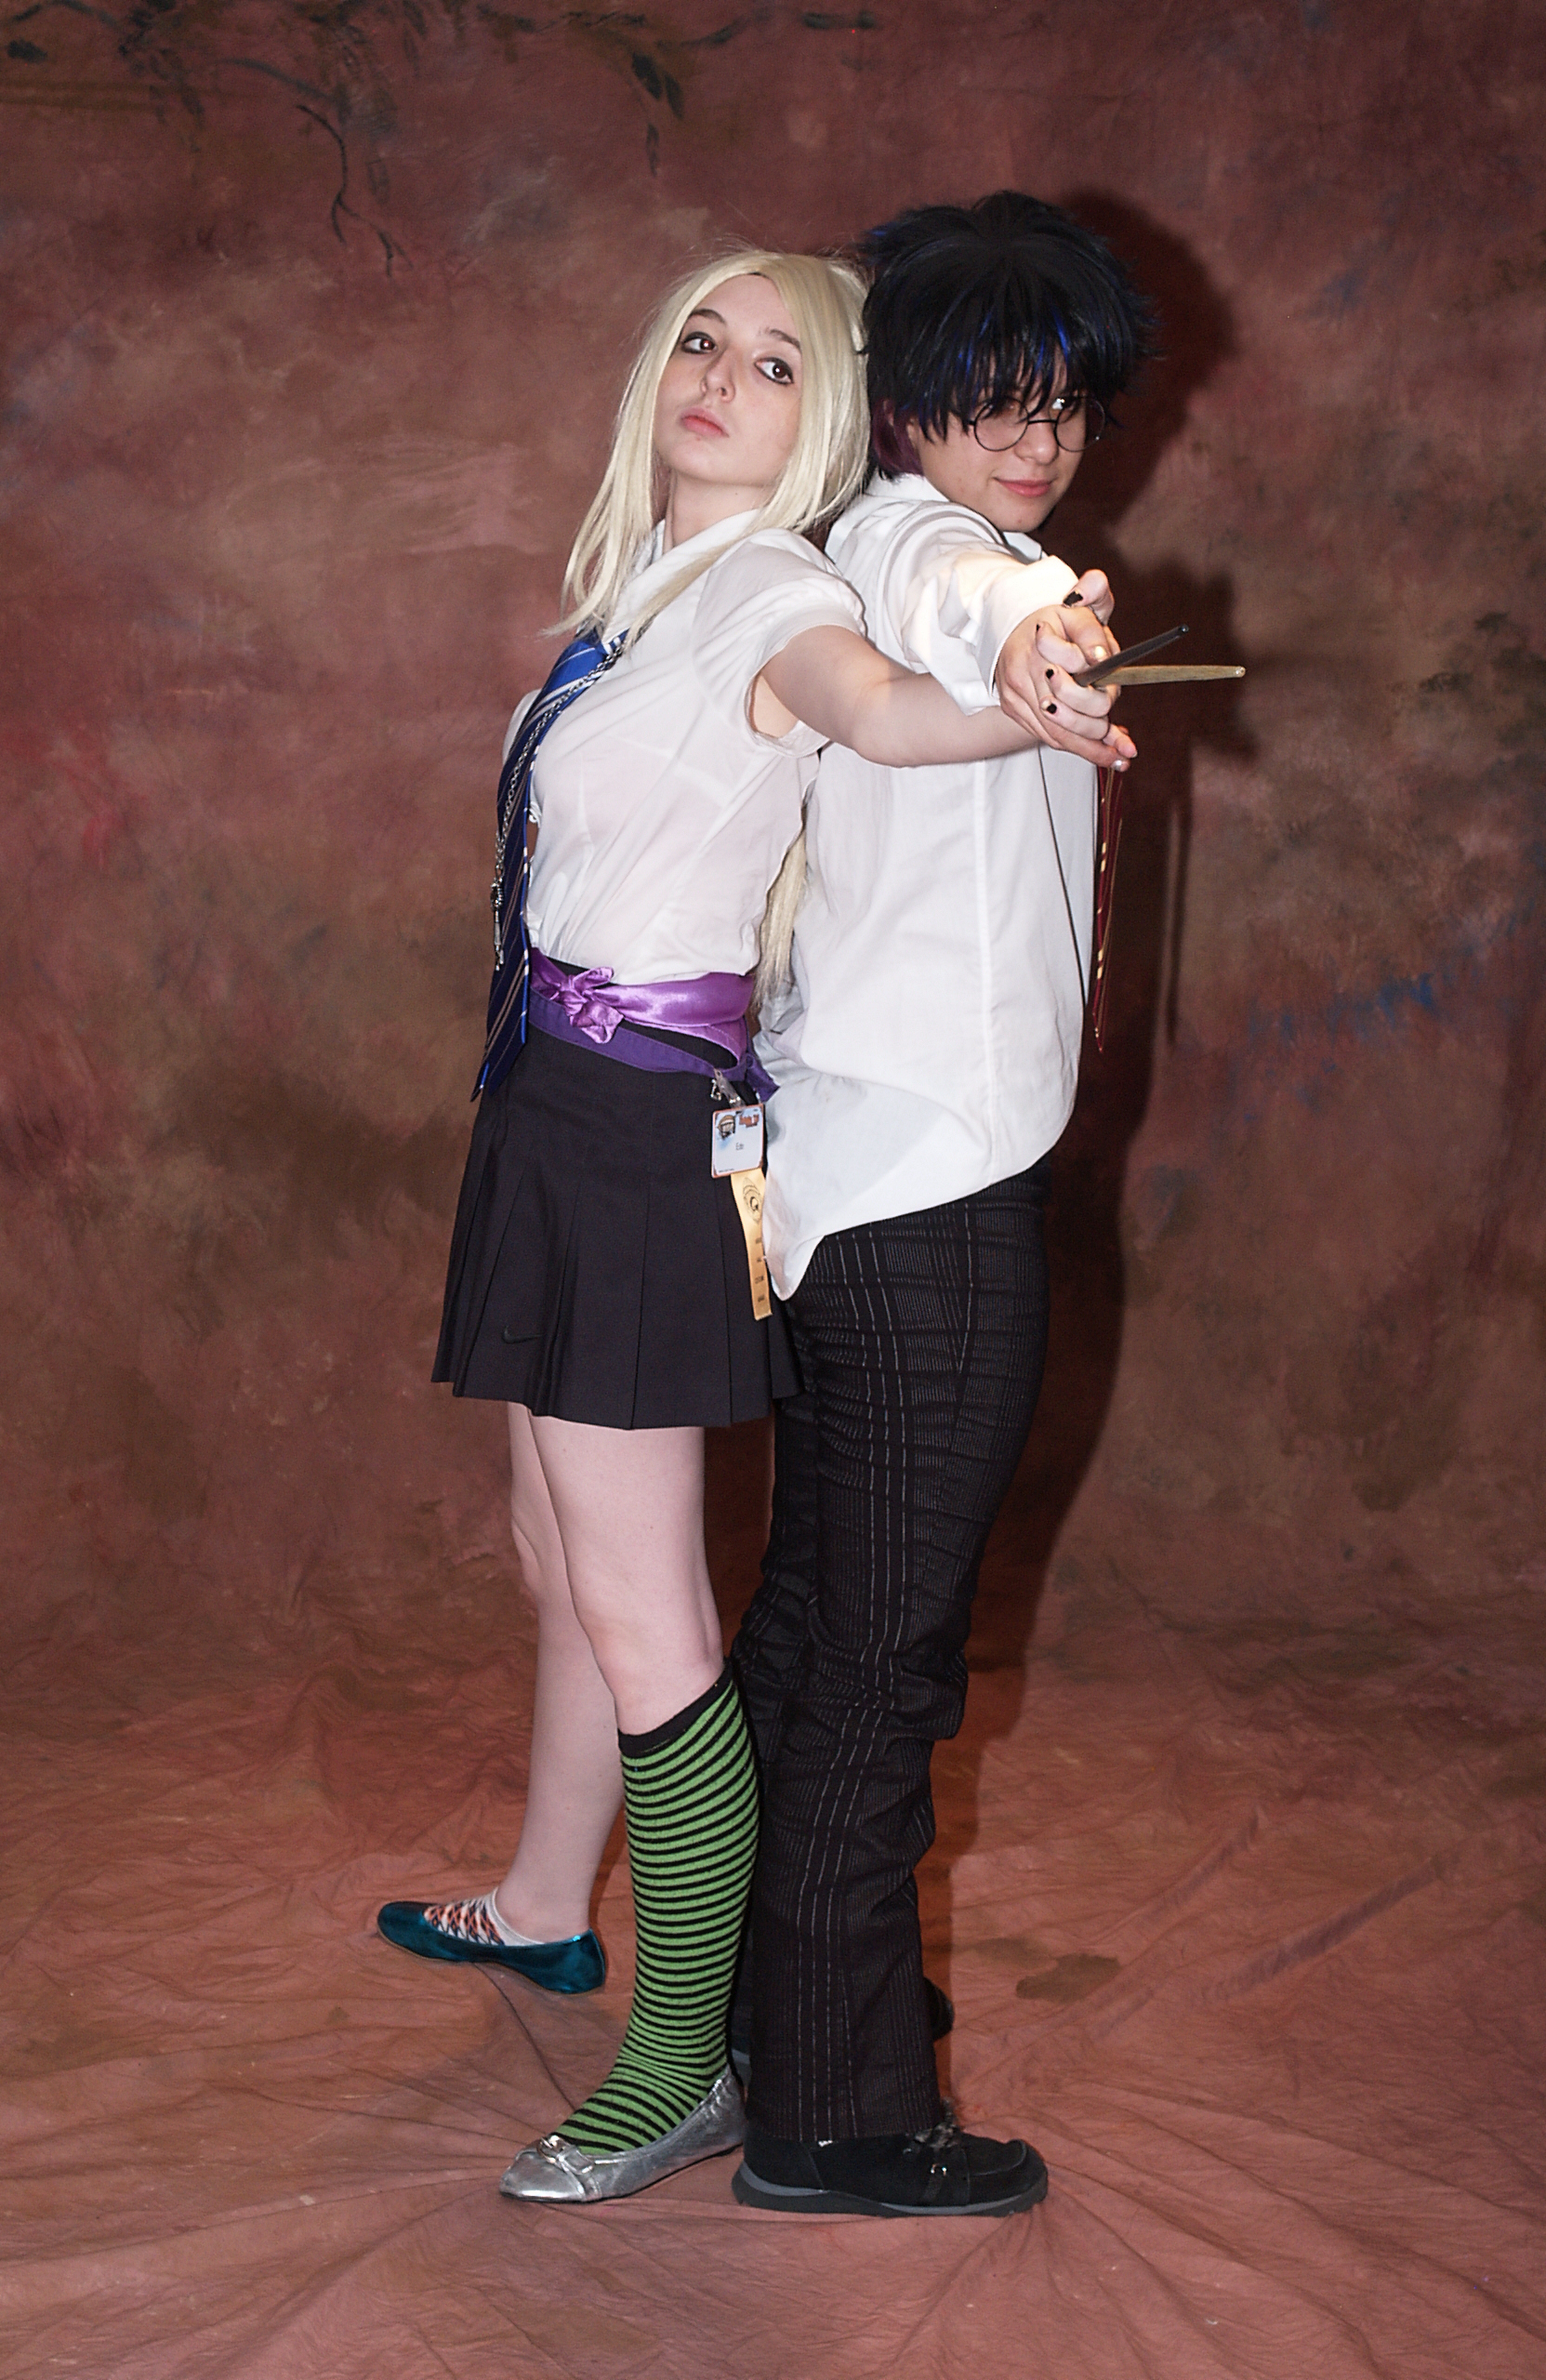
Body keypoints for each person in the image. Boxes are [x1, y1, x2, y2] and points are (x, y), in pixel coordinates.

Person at [377, 247, 1130, 2206]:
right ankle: (556, 1902)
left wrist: (1030, 684)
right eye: (702, 338)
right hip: (558, 1115)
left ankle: (676, 2065)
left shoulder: (792, 590)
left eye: (779, 359)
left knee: (657, 1622)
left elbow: (897, 683)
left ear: (841, 408)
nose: (723, 374)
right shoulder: (652, 594)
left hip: (642, 1136)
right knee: (569, 1563)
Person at [731, 192, 1156, 2217]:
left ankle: (766, 2019)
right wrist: (1036, 631)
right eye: (993, 394)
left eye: (1062, 401)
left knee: (817, 1631)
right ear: (906, 402)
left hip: (850, 1183)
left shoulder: (866, 551)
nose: (1034, 436)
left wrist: (1033, 621)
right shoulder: (918, 549)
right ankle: (837, 2113)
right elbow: (969, 590)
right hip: (929, 1204)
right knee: (882, 1665)